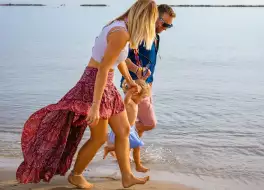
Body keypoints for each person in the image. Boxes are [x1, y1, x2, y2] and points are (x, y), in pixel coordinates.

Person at [16, 0, 158, 189]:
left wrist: (131, 81)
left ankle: (127, 176)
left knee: (123, 131)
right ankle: (76, 175)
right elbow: (103, 69)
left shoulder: (120, 27)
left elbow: (117, 60)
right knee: (98, 138)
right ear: (144, 20)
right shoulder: (120, 33)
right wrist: (94, 106)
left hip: (105, 84)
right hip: (95, 84)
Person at [120, 4, 176, 171]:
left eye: (169, 25)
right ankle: (122, 144)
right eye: (164, 24)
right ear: (155, 18)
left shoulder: (156, 37)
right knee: (149, 123)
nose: (165, 28)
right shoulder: (138, 34)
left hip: (146, 87)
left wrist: (150, 85)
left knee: (140, 124)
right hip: (134, 87)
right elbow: (121, 58)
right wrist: (136, 72)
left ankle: (129, 154)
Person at [103, 79, 150, 173]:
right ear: (136, 94)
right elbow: (125, 101)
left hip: (130, 129)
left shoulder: (135, 103)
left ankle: (112, 148)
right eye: (143, 97)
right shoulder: (129, 103)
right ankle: (138, 165)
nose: (142, 100)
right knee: (135, 146)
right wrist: (130, 92)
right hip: (124, 129)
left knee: (130, 147)